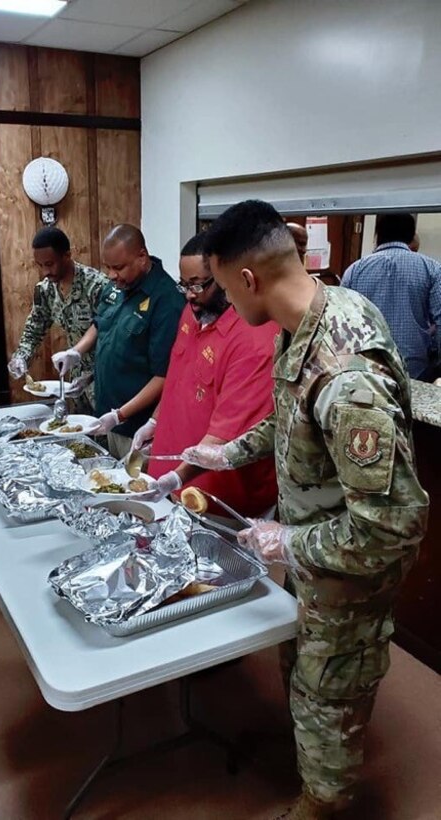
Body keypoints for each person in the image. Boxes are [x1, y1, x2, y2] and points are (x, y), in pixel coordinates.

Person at [182, 201, 429, 820]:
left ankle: (324, 802)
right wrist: (224, 450)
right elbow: (291, 421)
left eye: (218, 284)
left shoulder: (347, 375)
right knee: (305, 664)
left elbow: (393, 525)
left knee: (329, 688)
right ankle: (313, 754)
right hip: (316, 550)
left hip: (350, 566)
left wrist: (285, 543)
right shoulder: (310, 318)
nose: (223, 303)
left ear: (247, 279)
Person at [132, 232, 278, 515]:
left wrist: (179, 476)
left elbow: (227, 437)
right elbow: (178, 379)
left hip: (216, 501)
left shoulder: (254, 339)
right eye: (184, 285)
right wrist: (154, 421)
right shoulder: (193, 311)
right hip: (169, 488)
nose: (189, 295)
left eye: (198, 286)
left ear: (229, 279)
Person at [53, 224, 184, 457]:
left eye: (119, 267)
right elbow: (100, 324)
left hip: (138, 428)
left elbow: (164, 376)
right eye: (108, 267)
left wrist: (119, 415)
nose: (112, 275)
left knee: (131, 488)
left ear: (142, 257)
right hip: (107, 414)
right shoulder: (116, 287)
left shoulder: (166, 301)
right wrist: (76, 352)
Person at [8, 226, 107, 412]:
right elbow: (34, 329)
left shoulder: (96, 285)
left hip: (105, 378)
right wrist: (21, 357)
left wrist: (93, 375)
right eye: (40, 265)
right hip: (76, 381)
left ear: (67, 255)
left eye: (50, 264)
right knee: (80, 434)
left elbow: (109, 331)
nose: (45, 271)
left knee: (105, 436)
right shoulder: (46, 290)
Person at [341, 213, 441, 380]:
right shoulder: (431, 268)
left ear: (378, 234)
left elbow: (342, 320)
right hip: (414, 368)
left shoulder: (355, 270)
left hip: (366, 366)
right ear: (411, 236)